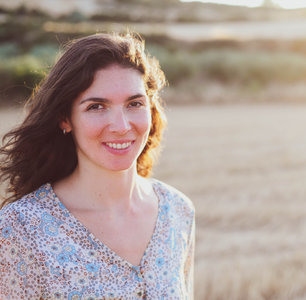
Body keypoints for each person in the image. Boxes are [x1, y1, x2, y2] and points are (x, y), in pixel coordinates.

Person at [0, 32, 195, 299]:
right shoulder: (19, 228)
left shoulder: (177, 210)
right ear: (64, 119)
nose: (122, 126)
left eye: (134, 103)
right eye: (97, 107)